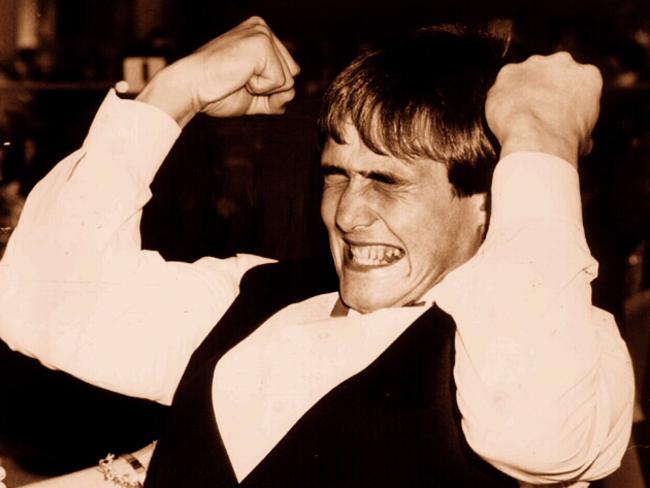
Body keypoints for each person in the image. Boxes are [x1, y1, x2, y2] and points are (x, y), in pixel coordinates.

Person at [0, 16, 634, 488]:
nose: (348, 214)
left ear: (491, 199)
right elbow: (37, 304)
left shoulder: (559, 349)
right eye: (338, 174)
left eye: (387, 180)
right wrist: (175, 92)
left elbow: (538, 435)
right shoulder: (258, 298)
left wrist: (540, 137)